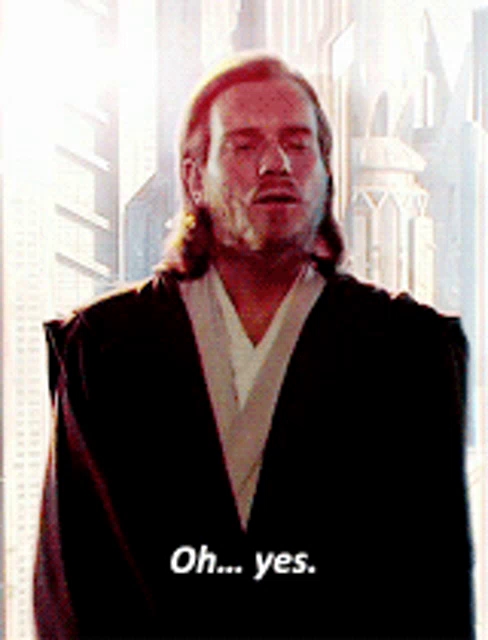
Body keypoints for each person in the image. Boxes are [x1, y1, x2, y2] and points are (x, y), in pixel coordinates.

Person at [34, 53, 475, 639]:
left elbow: (434, 587)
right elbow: (72, 590)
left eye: (297, 144)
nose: (276, 164)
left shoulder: (408, 350)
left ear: (325, 171)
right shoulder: (105, 348)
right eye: (244, 145)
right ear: (194, 177)